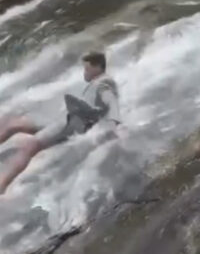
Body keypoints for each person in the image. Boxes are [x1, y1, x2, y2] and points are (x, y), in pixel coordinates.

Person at [0, 51, 120, 193]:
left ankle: (2, 184)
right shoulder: (97, 82)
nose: (85, 73)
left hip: (74, 124)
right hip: (67, 118)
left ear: (98, 67)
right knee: (15, 124)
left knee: (30, 145)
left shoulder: (105, 85)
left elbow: (109, 111)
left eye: (87, 69)